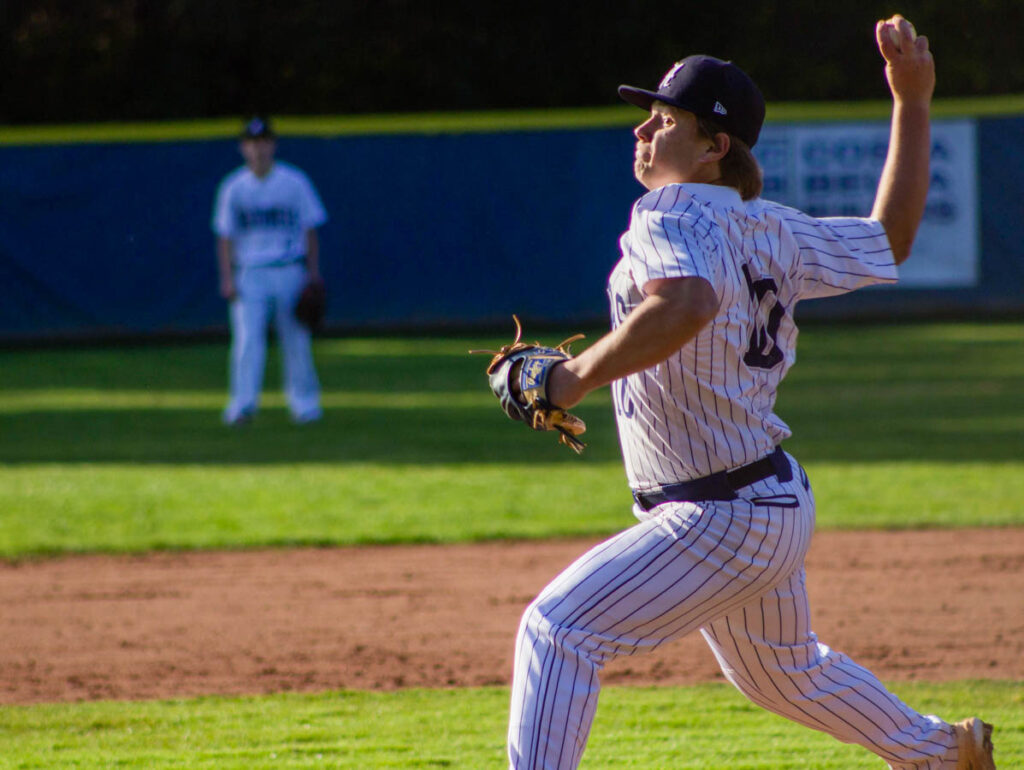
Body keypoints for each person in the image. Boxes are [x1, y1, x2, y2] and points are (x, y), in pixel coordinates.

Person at [506, 15, 996, 770]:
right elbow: (890, 238)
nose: (643, 127)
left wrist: (568, 378)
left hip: (719, 511)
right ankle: (945, 753)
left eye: (665, 119)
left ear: (713, 147)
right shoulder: (773, 229)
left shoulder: (667, 212)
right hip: (768, 501)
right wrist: (912, 102)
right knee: (782, 672)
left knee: (559, 630)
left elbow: (688, 304)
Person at [212, 116, 328, 426]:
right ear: (243, 147)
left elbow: (310, 229)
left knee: (296, 339)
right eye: (252, 142)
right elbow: (225, 236)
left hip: (289, 268)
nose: (258, 148)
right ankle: (243, 404)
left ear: (272, 145)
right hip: (250, 272)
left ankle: (305, 404)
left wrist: (313, 273)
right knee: (248, 341)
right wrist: (227, 278)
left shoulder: (294, 181)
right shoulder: (233, 187)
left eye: (264, 141)